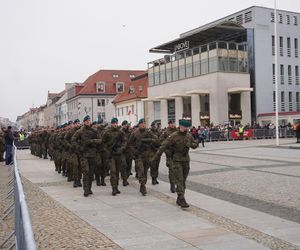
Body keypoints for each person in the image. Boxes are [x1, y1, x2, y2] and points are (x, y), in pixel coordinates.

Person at [153, 119, 199, 208]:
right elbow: (163, 146)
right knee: (180, 180)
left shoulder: (189, 136)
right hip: (176, 160)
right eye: (184, 127)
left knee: (183, 180)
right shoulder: (173, 136)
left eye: (187, 127)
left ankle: (179, 198)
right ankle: (182, 198)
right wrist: (156, 157)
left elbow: (193, 146)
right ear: (180, 126)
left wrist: (195, 143)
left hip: (186, 161)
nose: (186, 129)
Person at [128, 118, 158, 196]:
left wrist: (150, 140)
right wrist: (134, 152)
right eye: (142, 123)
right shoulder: (134, 133)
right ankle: (142, 185)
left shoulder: (149, 132)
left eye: (145, 123)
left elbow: (156, 139)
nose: (144, 125)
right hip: (139, 155)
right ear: (139, 124)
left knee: (145, 171)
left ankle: (143, 184)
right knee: (141, 171)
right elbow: (130, 144)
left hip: (147, 155)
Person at [71, 115, 99, 197]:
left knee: (91, 173)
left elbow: (100, 140)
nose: (88, 122)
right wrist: (79, 148)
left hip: (92, 154)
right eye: (86, 121)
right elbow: (73, 140)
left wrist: (92, 141)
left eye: (89, 121)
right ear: (84, 122)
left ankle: (89, 188)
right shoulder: (80, 131)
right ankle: (86, 189)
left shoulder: (94, 131)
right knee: (86, 171)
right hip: (84, 154)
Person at [102, 118, 127, 196]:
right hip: (111, 155)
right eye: (114, 123)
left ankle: (116, 186)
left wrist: (121, 149)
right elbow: (103, 143)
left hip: (118, 154)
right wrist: (107, 151)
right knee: (113, 171)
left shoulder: (121, 132)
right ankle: (113, 188)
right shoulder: (107, 132)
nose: (115, 124)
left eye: (116, 123)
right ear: (111, 124)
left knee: (117, 172)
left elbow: (125, 141)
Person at [159, 120, 177, 193]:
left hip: (177, 154)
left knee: (178, 171)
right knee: (172, 170)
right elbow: (160, 141)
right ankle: (172, 186)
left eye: (173, 123)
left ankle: (177, 184)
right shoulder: (165, 132)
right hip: (170, 154)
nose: (173, 125)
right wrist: (166, 150)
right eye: (171, 124)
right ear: (169, 124)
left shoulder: (177, 131)